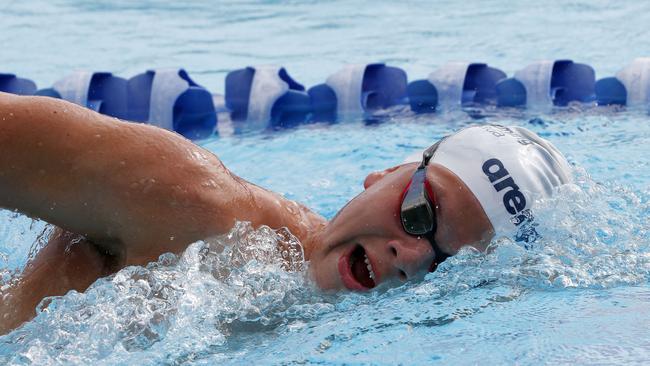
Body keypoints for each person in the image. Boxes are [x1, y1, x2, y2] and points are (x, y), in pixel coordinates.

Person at [0, 92, 572, 333]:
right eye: (421, 213)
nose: (413, 255)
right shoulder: (196, 206)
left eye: (449, 263)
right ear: (386, 175)